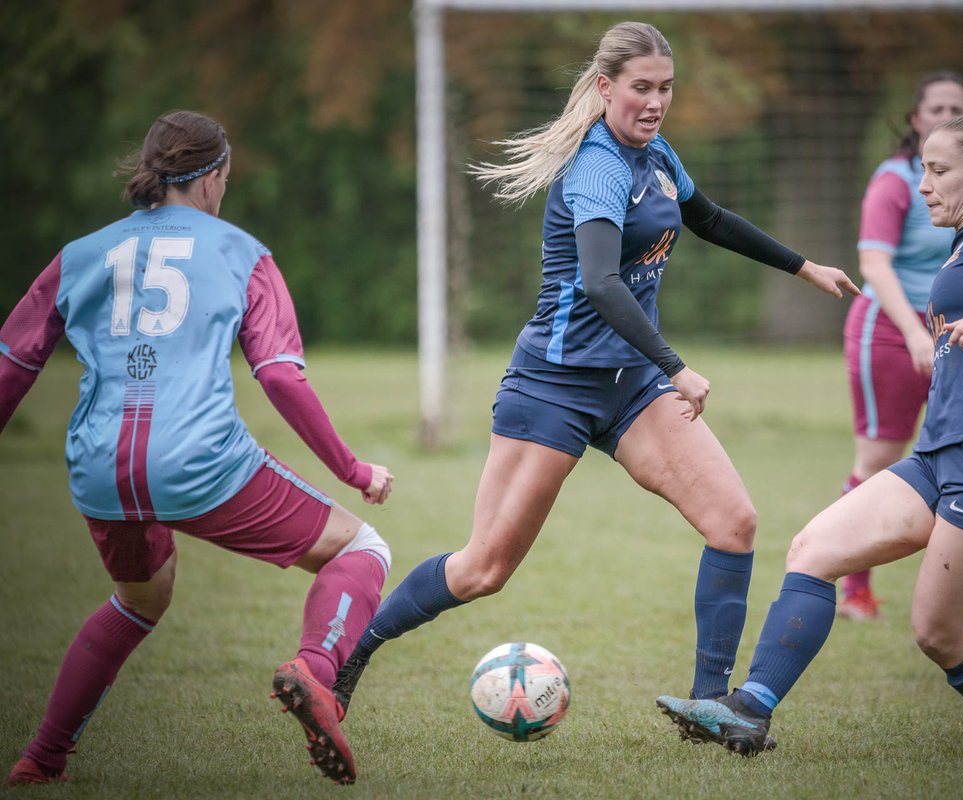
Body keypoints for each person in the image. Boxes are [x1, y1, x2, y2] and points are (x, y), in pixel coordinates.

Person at [325, 21, 858, 715]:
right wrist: (678, 365)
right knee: (483, 569)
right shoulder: (598, 165)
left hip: (632, 386)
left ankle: (712, 707)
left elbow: (713, 219)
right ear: (605, 87)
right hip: (553, 387)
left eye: (665, 88)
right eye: (641, 88)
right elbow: (601, 285)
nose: (656, 101)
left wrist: (804, 265)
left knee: (734, 522)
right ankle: (348, 655)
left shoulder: (657, 153)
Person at [656, 105, 963, 759]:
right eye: (922, 168)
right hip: (941, 456)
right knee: (812, 548)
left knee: (938, 633)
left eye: (938, 170)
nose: (924, 184)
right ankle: (750, 710)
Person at [1, 111, 394, 786]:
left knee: (138, 601)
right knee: (362, 550)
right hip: (199, 463)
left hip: (98, 469)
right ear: (213, 178)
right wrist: (353, 469)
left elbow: (12, 365)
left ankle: (42, 758)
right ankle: (315, 673)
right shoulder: (242, 253)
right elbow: (279, 377)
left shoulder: (80, 254)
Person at [837, 71, 963, 621]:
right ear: (915, 120)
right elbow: (874, 264)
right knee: (879, 460)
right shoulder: (895, 181)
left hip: (957, 332)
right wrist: (918, 332)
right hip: (890, 332)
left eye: (957, 108)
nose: (943, 116)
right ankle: (854, 592)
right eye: (934, 107)